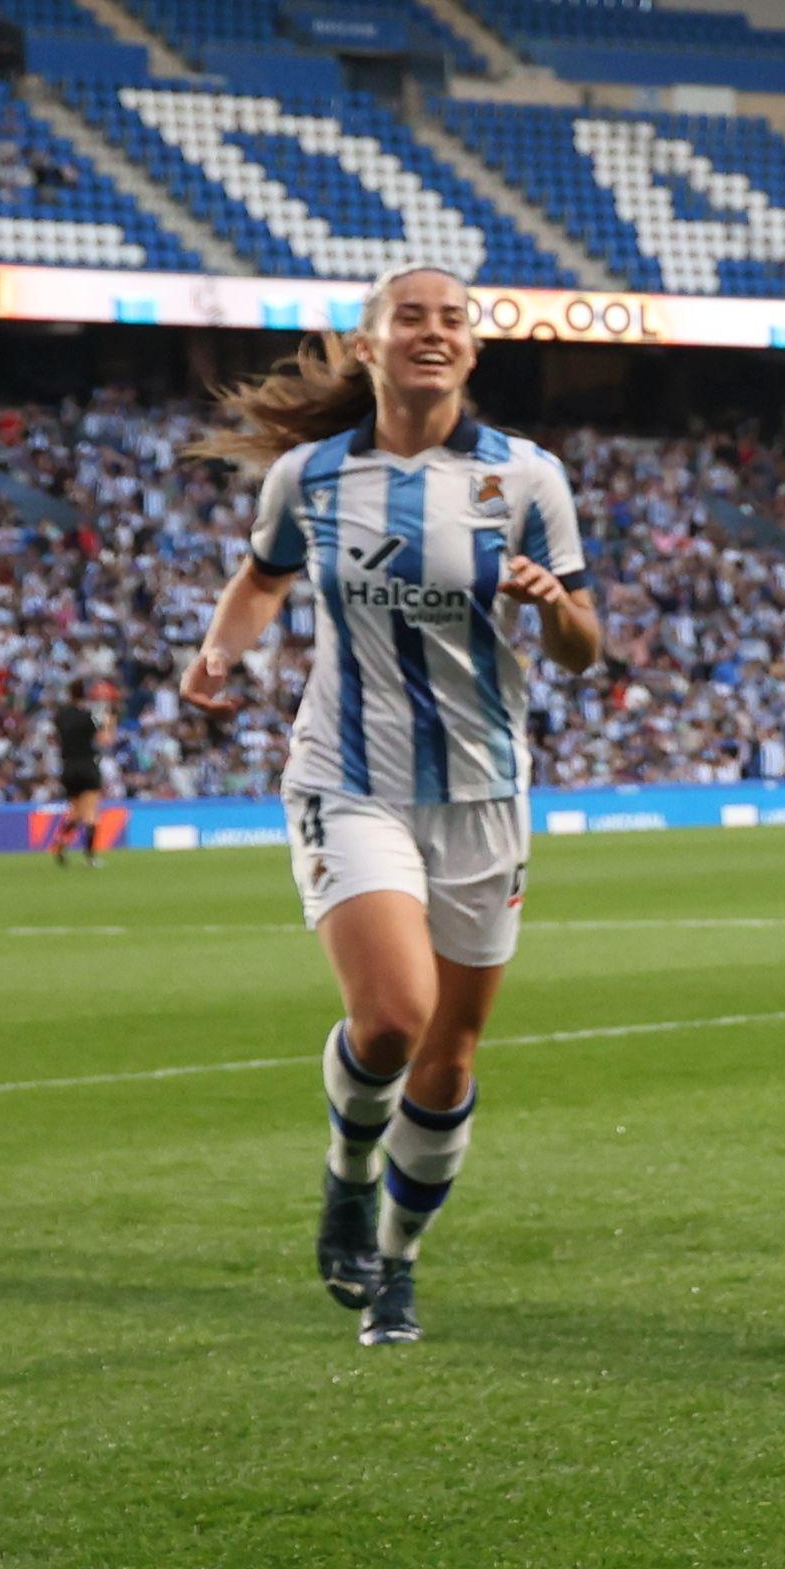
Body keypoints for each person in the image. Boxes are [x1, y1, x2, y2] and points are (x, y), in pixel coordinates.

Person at [173, 266, 603, 1351]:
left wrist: (554, 607)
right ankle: (348, 1173)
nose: (433, 331)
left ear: (473, 349)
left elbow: (584, 648)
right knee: (393, 1020)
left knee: (449, 1058)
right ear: (369, 346)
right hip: (348, 775)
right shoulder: (311, 475)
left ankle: (399, 1266)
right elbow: (263, 576)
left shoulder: (528, 477)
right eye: (410, 317)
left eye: (453, 319)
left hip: (483, 791)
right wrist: (220, 651)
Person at [48, 681, 109, 868]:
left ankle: (61, 842)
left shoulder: (61, 716)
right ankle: (90, 857)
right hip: (86, 765)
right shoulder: (87, 717)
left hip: (68, 767)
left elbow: (56, 738)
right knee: (90, 813)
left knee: (75, 812)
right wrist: (107, 722)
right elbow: (103, 740)